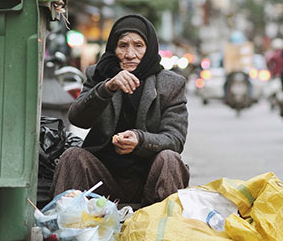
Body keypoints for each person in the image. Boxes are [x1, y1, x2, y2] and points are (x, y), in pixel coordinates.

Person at [51, 14, 189, 205]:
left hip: (149, 178)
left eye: (138, 46)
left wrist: (140, 139)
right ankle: (67, 228)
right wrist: (107, 88)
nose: (130, 54)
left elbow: (175, 139)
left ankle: (165, 227)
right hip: (103, 179)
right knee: (72, 156)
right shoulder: (99, 75)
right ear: (113, 49)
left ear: (149, 49)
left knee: (170, 158)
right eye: (123, 45)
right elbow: (78, 118)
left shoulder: (170, 84)